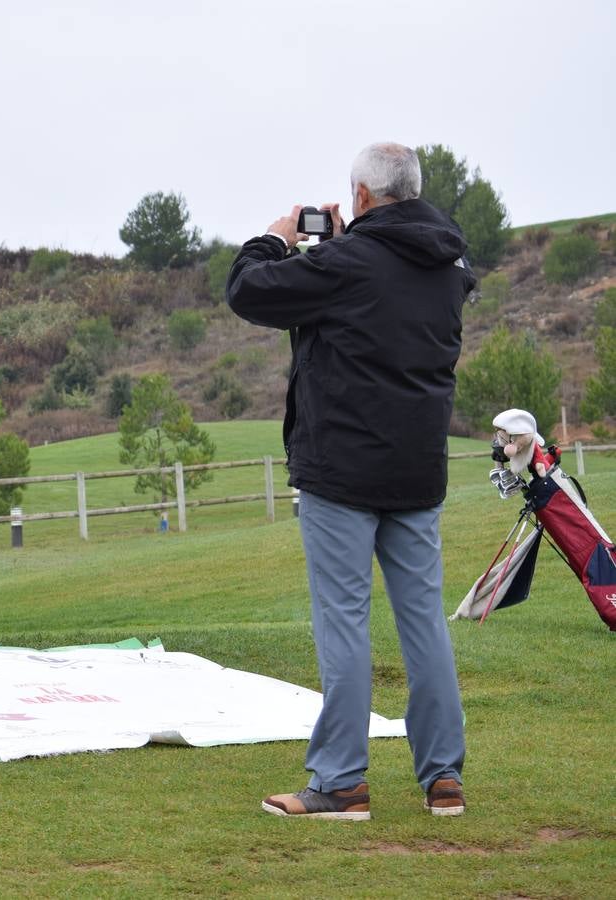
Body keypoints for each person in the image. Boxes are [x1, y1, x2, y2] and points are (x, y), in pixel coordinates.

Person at [226, 143, 475, 819]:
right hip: (417, 467)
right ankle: (443, 778)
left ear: (362, 196)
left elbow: (250, 290)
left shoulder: (347, 262)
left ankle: (340, 782)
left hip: (342, 468)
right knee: (423, 623)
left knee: (344, 622)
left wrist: (274, 240)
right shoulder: (451, 266)